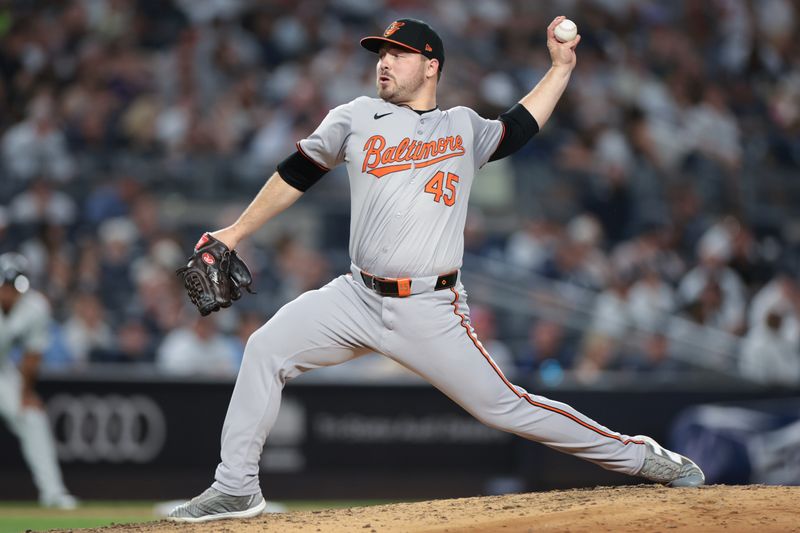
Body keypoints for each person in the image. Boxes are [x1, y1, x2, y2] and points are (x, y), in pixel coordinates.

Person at [169, 17, 704, 522]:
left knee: (506, 408)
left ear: (431, 66)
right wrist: (234, 232)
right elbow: (296, 173)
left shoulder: (463, 127)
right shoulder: (354, 116)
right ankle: (236, 486)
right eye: (381, 53)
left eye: (398, 53)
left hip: (431, 306)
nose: (384, 61)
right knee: (265, 348)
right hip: (355, 297)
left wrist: (561, 68)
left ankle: (638, 456)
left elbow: (519, 127)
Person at [0, 253, 78, 509]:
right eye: (5, 285)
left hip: (3, 371)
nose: (10, 291)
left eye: (15, 286)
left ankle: (53, 493)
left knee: (32, 417)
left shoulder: (35, 307)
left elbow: (32, 355)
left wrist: (25, 393)